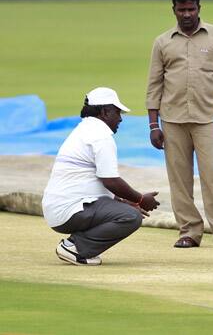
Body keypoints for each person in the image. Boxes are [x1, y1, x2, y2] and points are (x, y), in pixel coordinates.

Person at [146, 0, 213, 250]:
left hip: (207, 118)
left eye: (191, 9)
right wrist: (153, 124)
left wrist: (211, 89)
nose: (187, 14)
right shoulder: (163, 42)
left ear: (199, 8)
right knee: (179, 180)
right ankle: (189, 231)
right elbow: (154, 84)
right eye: (181, 9)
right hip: (172, 120)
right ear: (173, 9)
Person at [42, 87, 160, 266]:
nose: (120, 118)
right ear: (105, 112)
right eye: (117, 112)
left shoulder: (84, 129)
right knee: (130, 217)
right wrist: (141, 199)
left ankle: (75, 245)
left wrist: (125, 202)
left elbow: (96, 182)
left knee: (127, 211)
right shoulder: (101, 135)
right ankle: (75, 248)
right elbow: (110, 181)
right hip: (69, 210)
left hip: (60, 209)